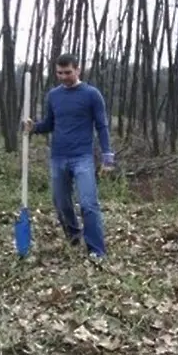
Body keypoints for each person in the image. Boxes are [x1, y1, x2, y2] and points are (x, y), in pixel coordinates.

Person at [23, 53, 115, 266]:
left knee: (88, 204)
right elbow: (50, 124)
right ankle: (74, 237)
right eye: (59, 73)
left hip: (82, 157)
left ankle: (96, 252)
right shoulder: (54, 95)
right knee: (61, 203)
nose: (63, 76)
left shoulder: (92, 94)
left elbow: (102, 126)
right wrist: (34, 127)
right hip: (58, 157)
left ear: (78, 70)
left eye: (68, 72)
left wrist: (107, 157)